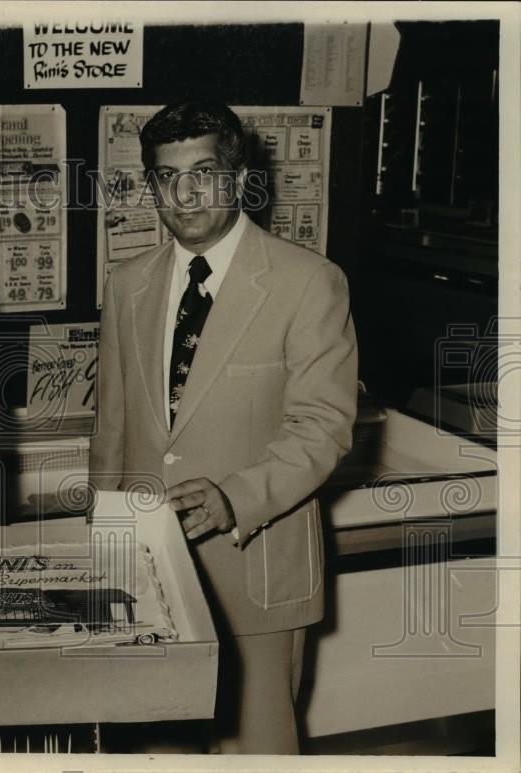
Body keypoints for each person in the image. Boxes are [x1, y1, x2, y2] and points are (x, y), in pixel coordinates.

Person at [90, 100, 357, 754]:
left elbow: (324, 426)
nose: (183, 194)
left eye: (202, 172)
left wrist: (236, 496)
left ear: (239, 178)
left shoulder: (307, 282)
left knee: (256, 750)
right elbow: (114, 427)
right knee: (158, 749)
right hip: (146, 568)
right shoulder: (127, 285)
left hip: (255, 565)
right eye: (164, 176)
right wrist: (103, 545)